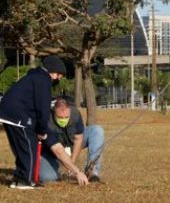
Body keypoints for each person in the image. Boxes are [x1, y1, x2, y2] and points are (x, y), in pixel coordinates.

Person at [0, 55, 88, 189]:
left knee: (24, 148)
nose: (60, 78)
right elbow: (42, 107)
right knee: (30, 148)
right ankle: (25, 181)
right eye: (60, 74)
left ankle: (18, 179)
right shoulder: (43, 80)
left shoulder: (34, 77)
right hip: (17, 115)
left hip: (8, 113)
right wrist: (41, 130)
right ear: (53, 71)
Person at [40, 97, 104, 183]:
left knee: (97, 131)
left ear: (70, 111)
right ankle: (58, 172)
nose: (63, 119)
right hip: (52, 150)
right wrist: (75, 170)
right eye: (60, 117)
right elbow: (57, 150)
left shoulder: (75, 113)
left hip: (70, 143)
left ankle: (92, 171)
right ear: (54, 112)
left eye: (66, 117)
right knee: (47, 177)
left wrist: (72, 164)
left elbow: (78, 139)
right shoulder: (46, 119)